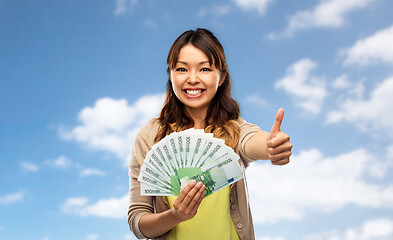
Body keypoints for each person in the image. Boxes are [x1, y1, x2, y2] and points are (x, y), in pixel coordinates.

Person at [128, 28, 293, 240]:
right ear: (170, 75)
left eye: (205, 69)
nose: (193, 79)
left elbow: (250, 142)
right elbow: (138, 221)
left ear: (221, 76)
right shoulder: (150, 136)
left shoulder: (232, 129)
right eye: (181, 69)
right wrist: (175, 216)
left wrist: (270, 147)